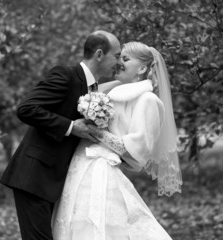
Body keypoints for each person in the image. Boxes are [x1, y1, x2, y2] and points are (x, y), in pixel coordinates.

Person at [52, 42, 182, 240]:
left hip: (101, 170)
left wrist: (95, 131)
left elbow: (137, 154)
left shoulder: (148, 101)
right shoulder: (110, 93)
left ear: (142, 68)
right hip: (78, 167)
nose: (118, 63)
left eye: (125, 59)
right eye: (118, 57)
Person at [0, 30, 121, 240]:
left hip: (57, 181)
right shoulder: (65, 75)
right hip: (34, 177)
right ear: (100, 54)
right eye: (117, 56)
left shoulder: (93, 88)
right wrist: (71, 127)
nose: (118, 62)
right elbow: (27, 108)